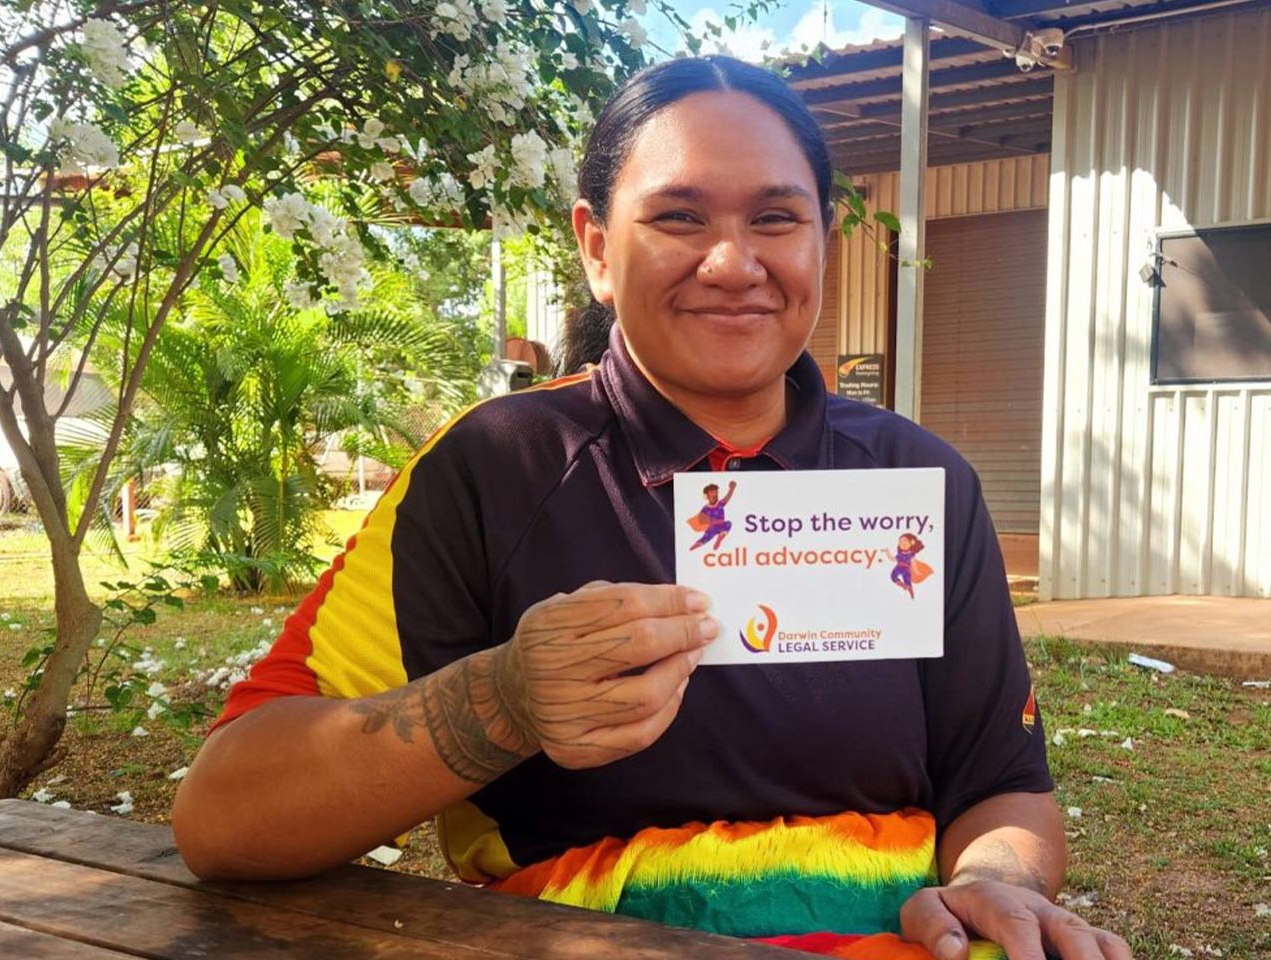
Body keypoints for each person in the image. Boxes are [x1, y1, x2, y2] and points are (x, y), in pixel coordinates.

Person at [172, 56, 1131, 960]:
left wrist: (997, 879)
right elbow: (224, 818)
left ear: (823, 241)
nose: (731, 263)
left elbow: (1000, 781)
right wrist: (500, 701)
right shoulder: (493, 467)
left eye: (775, 219)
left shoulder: (919, 481)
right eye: (677, 217)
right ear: (596, 246)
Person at [689, 480, 737, 551]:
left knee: (728, 524)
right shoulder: (705, 509)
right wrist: (712, 522)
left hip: (722, 525)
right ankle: (698, 544)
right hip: (712, 527)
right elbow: (701, 520)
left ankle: (720, 538)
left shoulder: (720, 503)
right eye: (712, 493)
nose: (715, 494)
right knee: (706, 537)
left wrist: (732, 489)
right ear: (707, 496)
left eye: (716, 492)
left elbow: (727, 497)